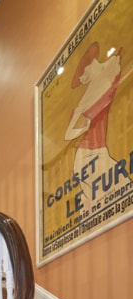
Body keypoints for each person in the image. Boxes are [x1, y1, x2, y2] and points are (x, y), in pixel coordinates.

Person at [65, 42, 122, 206]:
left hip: (94, 155)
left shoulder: (103, 81)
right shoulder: (94, 92)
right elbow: (70, 132)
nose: (83, 78)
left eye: (85, 72)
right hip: (90, 156)